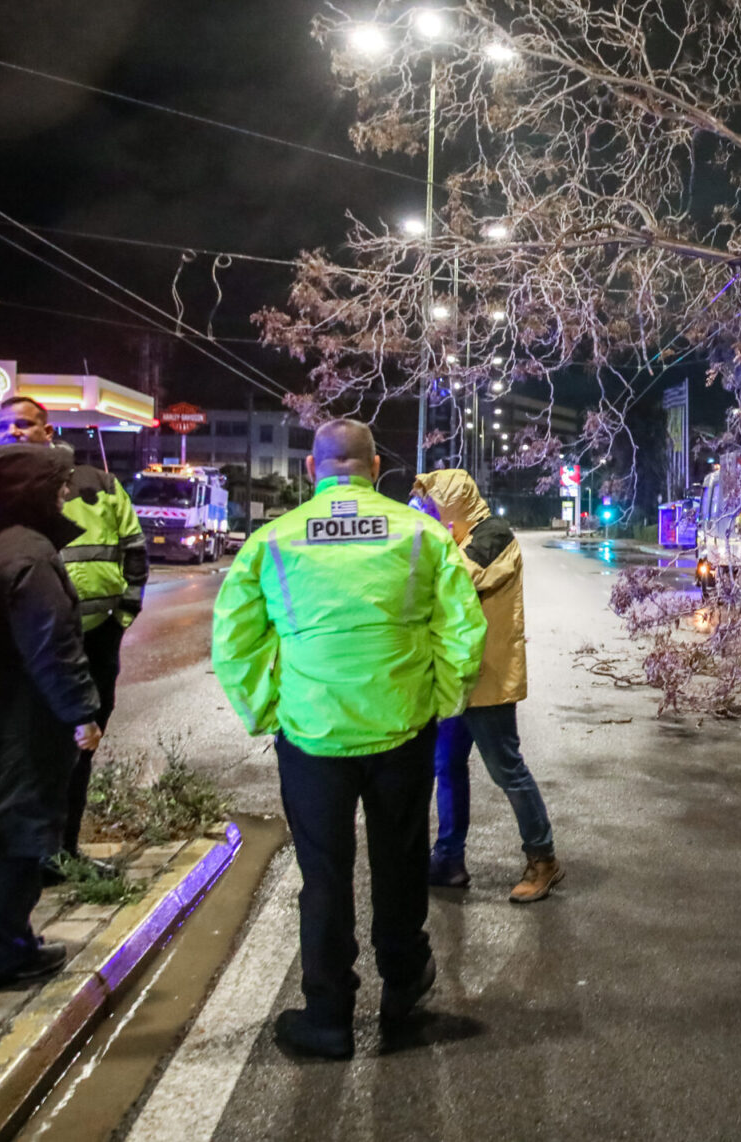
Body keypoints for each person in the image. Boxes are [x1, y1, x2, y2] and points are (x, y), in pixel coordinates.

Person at [212, 420, 485, 1060]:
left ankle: (329, 1016)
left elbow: (234, 643)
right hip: (401, 731)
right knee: (400, 862)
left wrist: (268, 711)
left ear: (313, 468)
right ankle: (402, 990)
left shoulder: (273, 541)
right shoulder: (421, 534)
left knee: (324, 876)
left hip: (312, 738)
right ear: (376, 465)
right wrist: (442, 701)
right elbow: (463, 633)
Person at [0, 396, 148, 869]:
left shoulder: (101, 486)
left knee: (70, 755)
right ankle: (26, 865)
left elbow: (134, 549)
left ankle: (58, 851)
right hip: (21, 651)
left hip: (91, 640)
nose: (15, 432)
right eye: (6, 425)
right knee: (26, 755)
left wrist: (121, 618)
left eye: (25, 424)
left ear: (47, 430)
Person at [0, 444, 104, 991]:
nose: (67, 494)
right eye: (58, 484)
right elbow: (53, 646)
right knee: (10, 835)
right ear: (33, 492)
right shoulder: (29, 556)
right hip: (12, 721)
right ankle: (0, 954)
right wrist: (82, 713)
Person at [412, 470, 562, 901]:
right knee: (447, 766)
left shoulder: (493, 536)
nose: (427, 512)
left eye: (432, 504)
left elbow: (456, 580)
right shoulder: (456, 536)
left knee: (506, 769)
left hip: (489, 678)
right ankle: (449, 858)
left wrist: (425, 544)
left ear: (453, 501)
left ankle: (544, 859)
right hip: (459, 678)